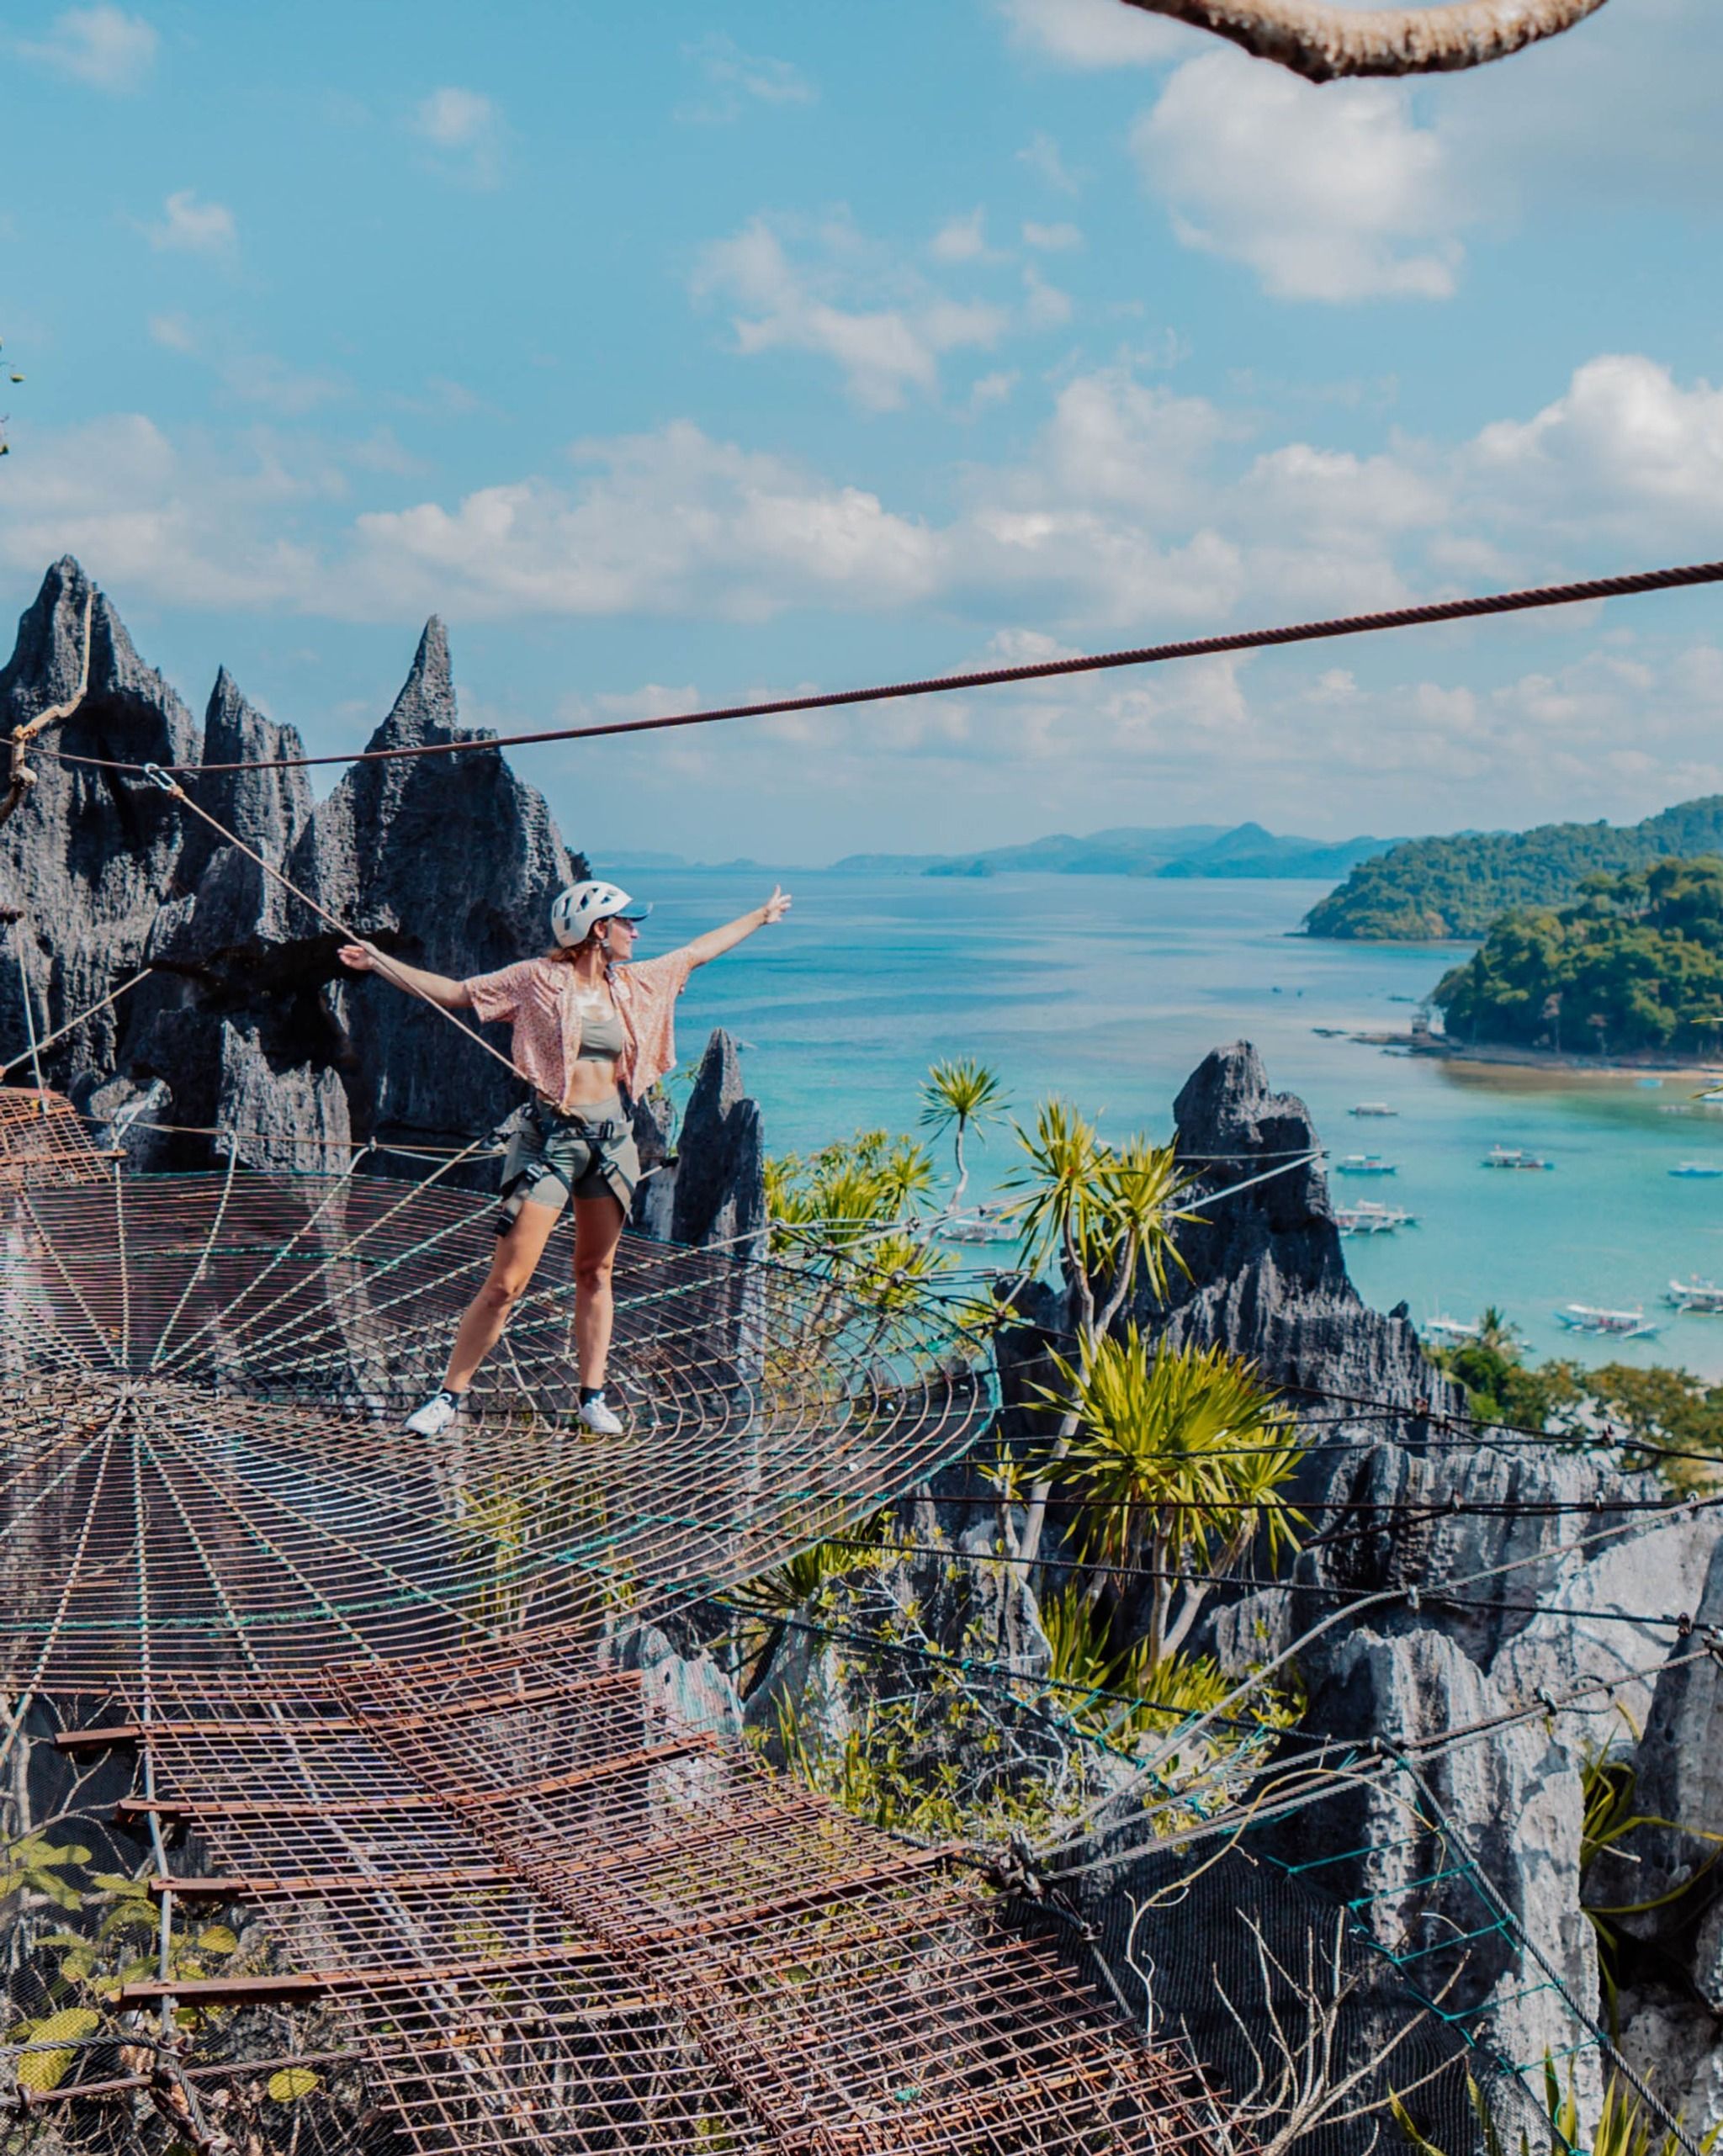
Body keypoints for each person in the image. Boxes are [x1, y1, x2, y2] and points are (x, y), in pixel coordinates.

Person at [337, 867, 792, 1437]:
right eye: (627, 921)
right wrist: (380, 962)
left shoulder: (634, 984)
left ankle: (592, 1397)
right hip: (551, 1140)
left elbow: (697, 952)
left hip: (612, 1142)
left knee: (595, 1271)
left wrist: (760, 916)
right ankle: (449, 1397)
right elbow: (458, 993)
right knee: (507, 1282)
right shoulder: (536, 980)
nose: (636, 931)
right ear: (598, 928)